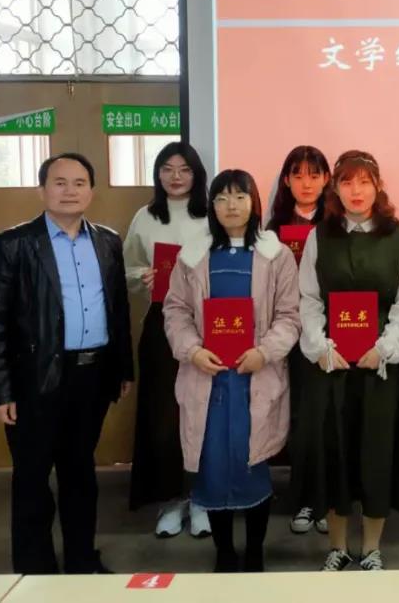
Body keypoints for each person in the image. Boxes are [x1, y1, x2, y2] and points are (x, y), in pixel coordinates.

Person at [0, 153, 133, 574]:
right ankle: (35, 569)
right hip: (35, 379)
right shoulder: (12, 245)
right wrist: (0, 390)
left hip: (92, 376)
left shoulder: (108, 241)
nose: (70, 191)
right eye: (60, 182)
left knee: (80, 472)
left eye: (79, 183)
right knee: (32, 477)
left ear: (92, 191)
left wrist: (123, 368)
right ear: (42, 190)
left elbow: (118, 309)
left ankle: (82, 559)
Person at [164, 169, 300, 572]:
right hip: (207, 380)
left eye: (240, 196)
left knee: (252, 464)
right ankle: (223, 551)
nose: (231, 206)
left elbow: (289, 316)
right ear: (212, 205)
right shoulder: (193, 256)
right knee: (211, 469)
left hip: (254, 380)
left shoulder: (276, 256)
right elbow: (176, 311)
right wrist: (192, 351)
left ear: (254, 203)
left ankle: (255, 551)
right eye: (222, 198)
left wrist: (264, 352)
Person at [291, 150, 399, 572]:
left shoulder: (398, 236)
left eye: (364, 181)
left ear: (377, 186)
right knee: (335, 454)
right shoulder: (320, 235)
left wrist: (385, 347)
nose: (356, 191)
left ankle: (372, 548)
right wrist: (321, 347)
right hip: (332, 367)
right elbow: (309, 298)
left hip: (379, 366)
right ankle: (338, 547)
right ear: (336, 188)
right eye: (347, 182)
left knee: (376, 453)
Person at [124, 142, 211, 538]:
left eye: (184, 169)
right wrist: (141, 276)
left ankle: (202, 498)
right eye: (167, 168)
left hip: (209, 326)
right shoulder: (145, 217)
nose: (176, 177)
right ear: (157, 174)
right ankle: (170, 501)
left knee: (204, 415)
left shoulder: (211, 215)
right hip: (161, 325)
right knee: (163, 417)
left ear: (197, 174)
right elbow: (127, 267)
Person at [265, 145, 331, 536]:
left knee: (323, 420)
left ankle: (326, 500)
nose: (306, 183)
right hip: (282, 335)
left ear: (326, 180)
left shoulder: (338, 224)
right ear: (286, 181)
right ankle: (303, 497)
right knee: (295, 419)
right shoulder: (271, 230)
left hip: (325, 334)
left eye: (314, 175)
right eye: (298, 175)